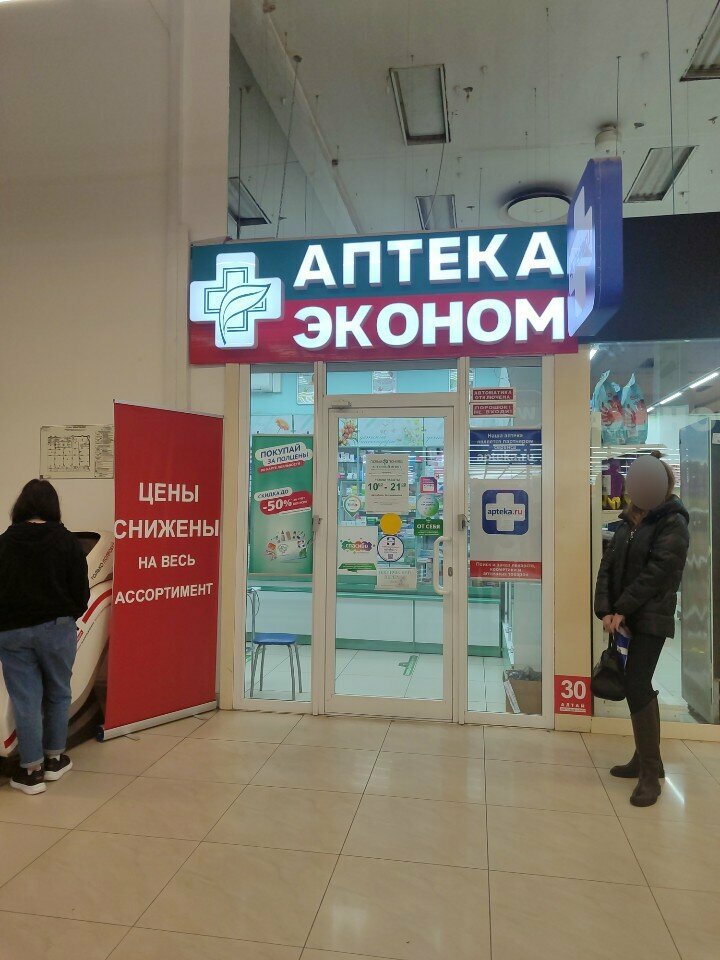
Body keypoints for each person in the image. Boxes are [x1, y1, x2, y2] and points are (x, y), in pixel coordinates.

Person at [594, 452, 689, 807]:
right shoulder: (627, 522)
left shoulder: (673, 523)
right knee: (638, 685)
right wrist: (606, 609)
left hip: (650, 617)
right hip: (624, 617)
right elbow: (607, 567)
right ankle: (646, 760)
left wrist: (623, 608)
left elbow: (658, 573)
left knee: (636, 683)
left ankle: (650, 772)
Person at [0, 480, 90, 795]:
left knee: (26, 699)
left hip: (12, 632)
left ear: (21, 505)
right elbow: (81, 592)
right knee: (58, 693)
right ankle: (54, 759)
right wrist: (69, 616)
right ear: (53, 506)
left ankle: (31, 771)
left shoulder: (4, 542)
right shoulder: (67, 541)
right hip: (57, 629)